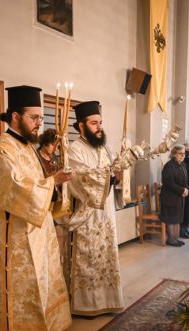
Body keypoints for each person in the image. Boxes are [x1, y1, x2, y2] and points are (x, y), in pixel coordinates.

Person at [0, 85, 74, 331]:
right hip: (13, 238)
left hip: (36, 231)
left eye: (41, 117)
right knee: (20, 289)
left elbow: (37, 183)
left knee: (42, 281)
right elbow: (13, 190)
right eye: (34, 117)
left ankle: (44, 330)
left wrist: (55, 182)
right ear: (15, 116)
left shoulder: (27, 148)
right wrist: (53, 182)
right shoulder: (1, 150)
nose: (40, 123)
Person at [65, 100, 124, 316]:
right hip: (88, 213)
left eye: (100, 122)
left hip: (106, 211)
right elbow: (82, 179)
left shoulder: (104, 148)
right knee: (88, 255)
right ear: (81, 126)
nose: (99, 127)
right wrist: (109, 176)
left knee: (106, 254)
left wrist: (120, 170)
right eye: (94, 123)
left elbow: (112, 175)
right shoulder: (74, 149)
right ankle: (88, 305)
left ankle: (109, 299)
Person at [161, 145, 189, 246]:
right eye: (180, 153)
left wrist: (186, 189)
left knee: (177, 218)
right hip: (169, 197)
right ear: (174, 154)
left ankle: (175, 238)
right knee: (171, 218)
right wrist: (182, 190)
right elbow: (169, 183)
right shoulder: (169, 166)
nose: (182, 156)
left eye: (184, 153)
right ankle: (171, 239)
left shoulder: (182, 164)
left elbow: (185, 180)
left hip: (178, 196)